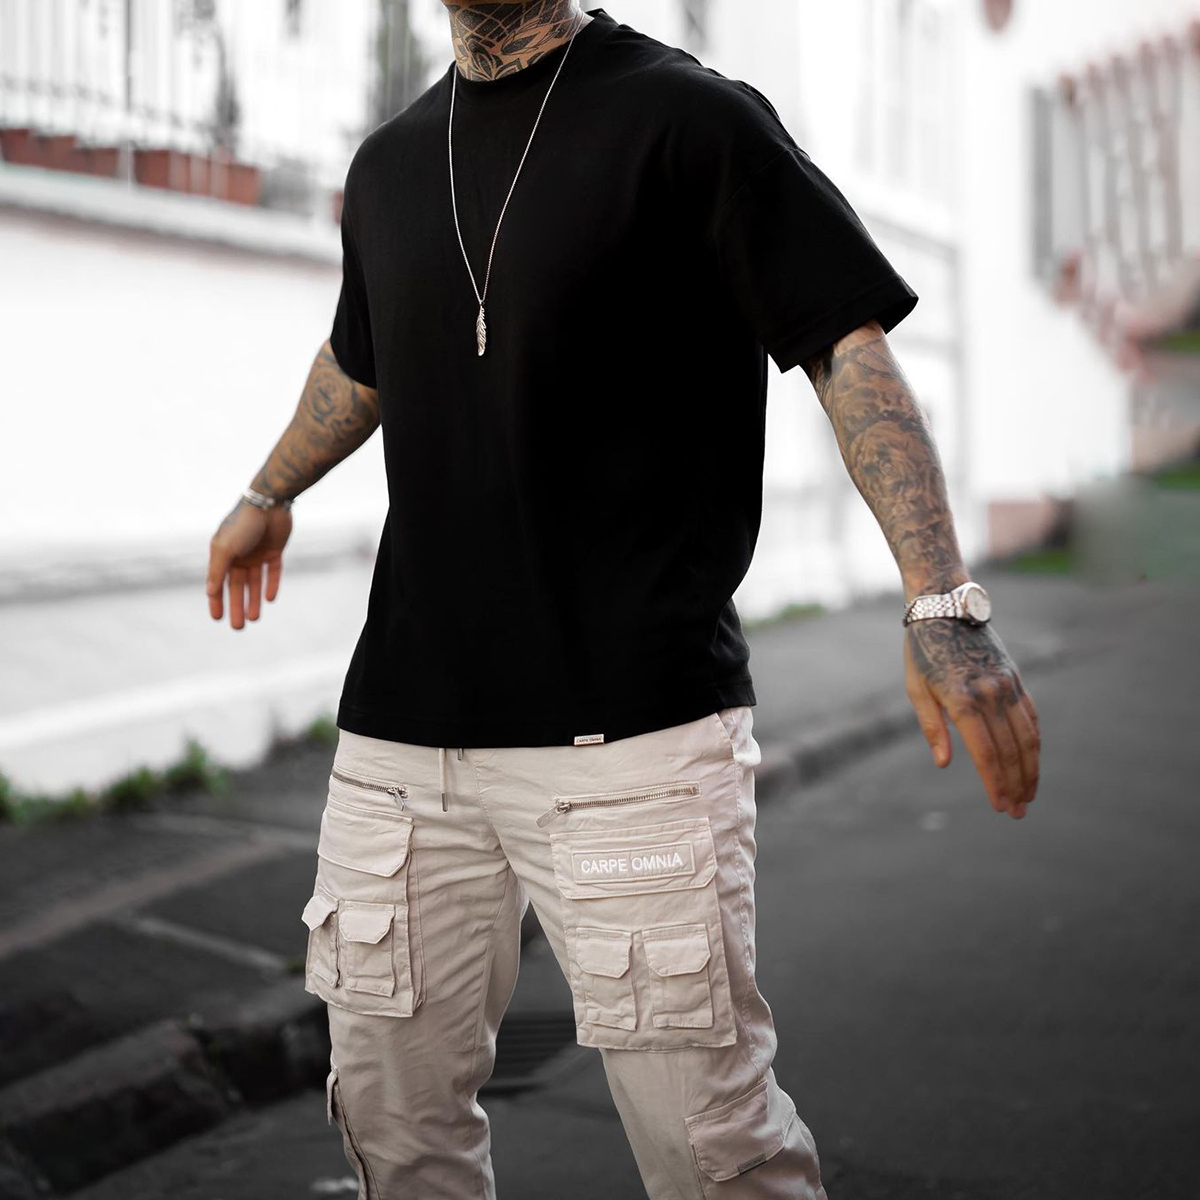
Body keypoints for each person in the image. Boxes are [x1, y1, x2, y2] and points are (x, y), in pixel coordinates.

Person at [205, 4, 1042, 1196]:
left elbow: (843, 347)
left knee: (713, 1154)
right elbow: (362, 356)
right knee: (392, 1131)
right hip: (401, 741)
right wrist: (268, 487)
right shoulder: (389, 163)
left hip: (633, 740)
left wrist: (941, 601)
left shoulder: (689, 119)